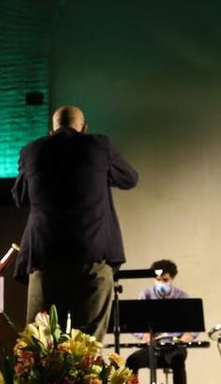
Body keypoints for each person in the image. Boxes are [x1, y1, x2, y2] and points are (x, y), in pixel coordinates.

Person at [12, 104, 138, 341]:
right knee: (88, 345)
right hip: (93, 254)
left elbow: (19, 197)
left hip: (45, 257)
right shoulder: (100, 146)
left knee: (41, 343)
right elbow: (130, 179)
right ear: (84, 128)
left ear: (52, 130)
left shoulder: (31, 151)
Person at [124, 259, 198, 384]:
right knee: (132, 361)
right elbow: (137, 324)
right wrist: (143, 335)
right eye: (158, 280)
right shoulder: (146, 295)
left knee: (178, 359)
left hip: (174, 346)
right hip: (154, 346)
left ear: (171, 279)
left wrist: (189, 334)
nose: (161, 283)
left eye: (165, 280)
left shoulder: (182, 297)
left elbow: (193, 325)